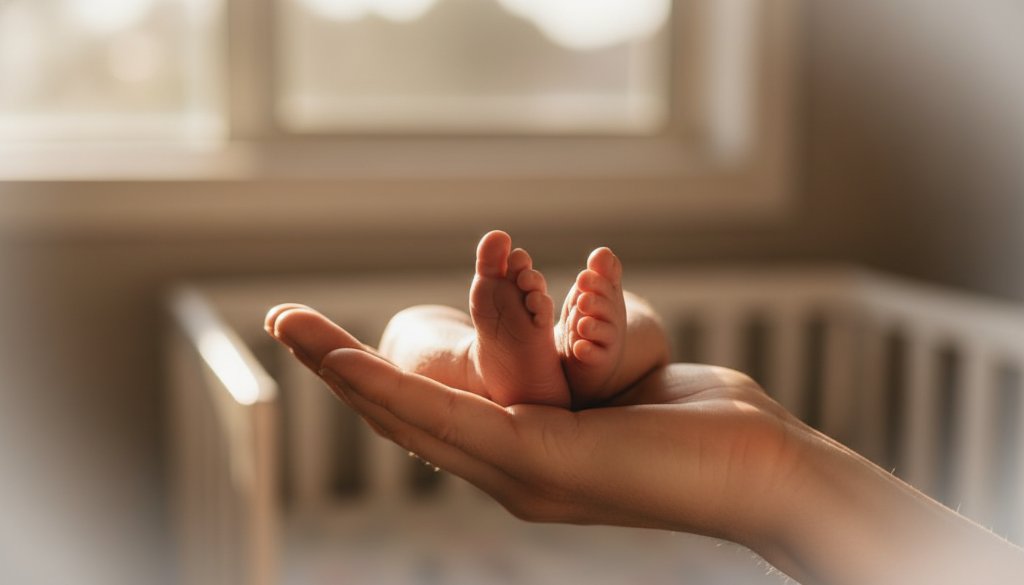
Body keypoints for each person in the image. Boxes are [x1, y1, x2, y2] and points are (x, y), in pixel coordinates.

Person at [264, 233, 1024, 585]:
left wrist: (780, 472)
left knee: (409, 330)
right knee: (638, 329)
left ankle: (494, 362)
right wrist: (783, 472)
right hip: (637, 387)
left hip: (632, 392)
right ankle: (565, 353)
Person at [376, 230, 669, 409]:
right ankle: (599, 364)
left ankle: (471, 365)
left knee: (406, 327)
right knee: (640, 316)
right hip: (621, 378)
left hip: (521, 361)